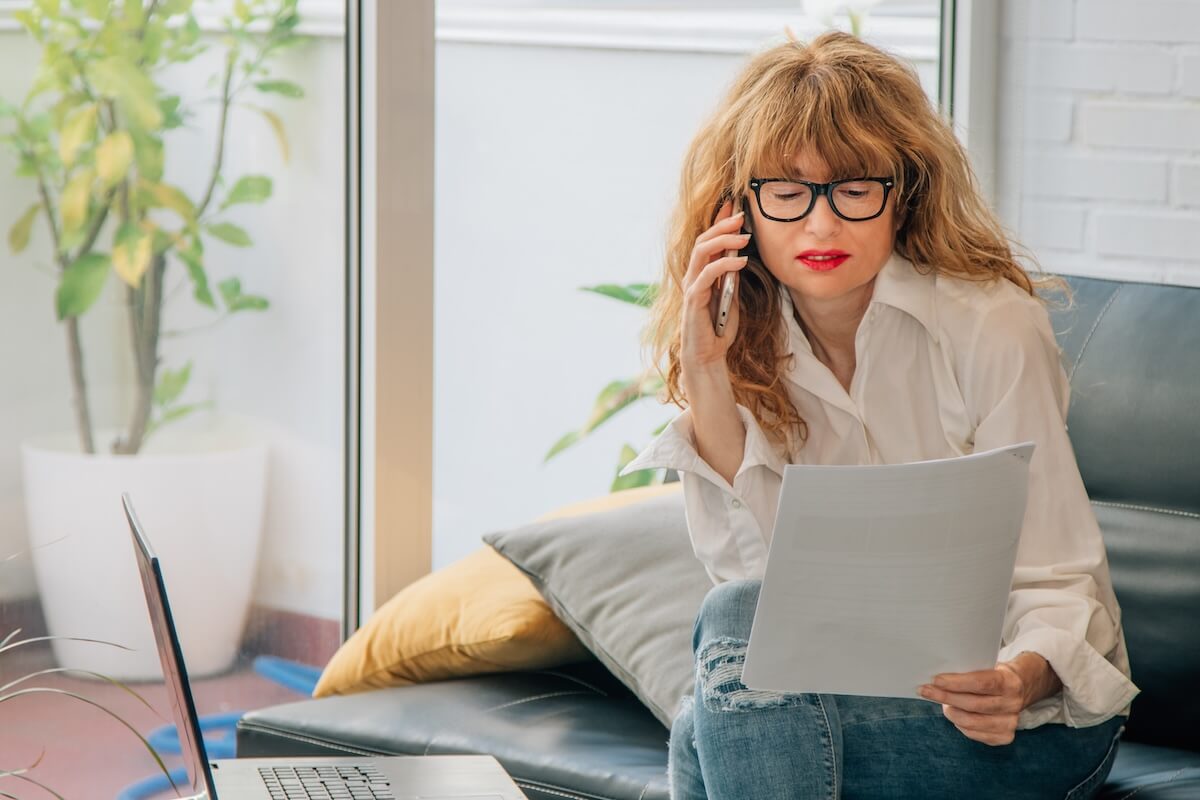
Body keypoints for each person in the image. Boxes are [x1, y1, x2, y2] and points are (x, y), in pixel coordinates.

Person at [620, 31, 1139, 800]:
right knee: (731, 662)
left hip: (1021, 727)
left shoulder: (988, 324)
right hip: (843, 697)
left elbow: (1059, 570)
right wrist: (705, 370)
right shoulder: (745, 344)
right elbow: (758, 588)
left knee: (713, 720)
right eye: (787, 192)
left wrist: (1018, 679)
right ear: (739, 210)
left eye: (854, 188)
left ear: (905, 192)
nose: (820, 226)